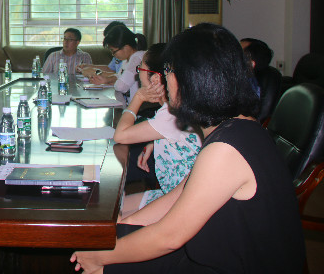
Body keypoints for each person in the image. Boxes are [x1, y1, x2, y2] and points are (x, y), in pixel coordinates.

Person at [71, 23, 305, 273]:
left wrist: (101, 257)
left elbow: (169, 236)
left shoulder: (225, 149)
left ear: (192, 78)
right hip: (217, 243)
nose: (164, 78)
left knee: (102, 266)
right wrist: (123, 226)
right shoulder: (238, 125)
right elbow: (178, 196)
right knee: (109, 244)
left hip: (233, 261)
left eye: (169, 69)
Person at [113, 43, 201, 217]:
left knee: (115, 222)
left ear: (154, 79)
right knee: (114, 211)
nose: (138, 74)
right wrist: (155, 142)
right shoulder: (176, 108)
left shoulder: (169, 114)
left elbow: (120, 135)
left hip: (183, 202)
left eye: (140, 69)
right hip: (173, 192)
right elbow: (175, 135)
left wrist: (138, 97)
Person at [90, 26, 147, 103]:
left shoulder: (137, 59)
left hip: (139, 108)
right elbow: (119, 76)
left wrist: (112, 82)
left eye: (114, 51)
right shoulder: (126, 60)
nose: (113, 55)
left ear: (126, 47)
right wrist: (106, 80)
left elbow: (121, 86)